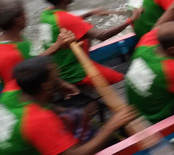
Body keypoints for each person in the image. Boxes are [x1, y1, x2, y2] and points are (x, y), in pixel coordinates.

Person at [1, 57, 136, 155]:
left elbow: (41, 104)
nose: (58, 74)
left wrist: (60, 88)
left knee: (75, 114)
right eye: (55, 75)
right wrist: (111, 126)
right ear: (46, 87)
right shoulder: (39, 120)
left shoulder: (11, 91)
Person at [39, 0, 141, 85]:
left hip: (56, 67)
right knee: (122, 80)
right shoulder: (66, 19)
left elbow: (68, 22)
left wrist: (91, 13)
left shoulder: (46, 13)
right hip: (74, 71)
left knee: (84, 28)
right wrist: (130, 20)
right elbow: (102, 35)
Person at [0, 0, 76, 90]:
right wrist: (57, 46)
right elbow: (28, 72)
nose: (27, 16)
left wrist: (61, 84)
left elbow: (31, 59)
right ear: (17, 21)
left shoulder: (17, 38)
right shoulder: (8, 56)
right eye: (24, 14)